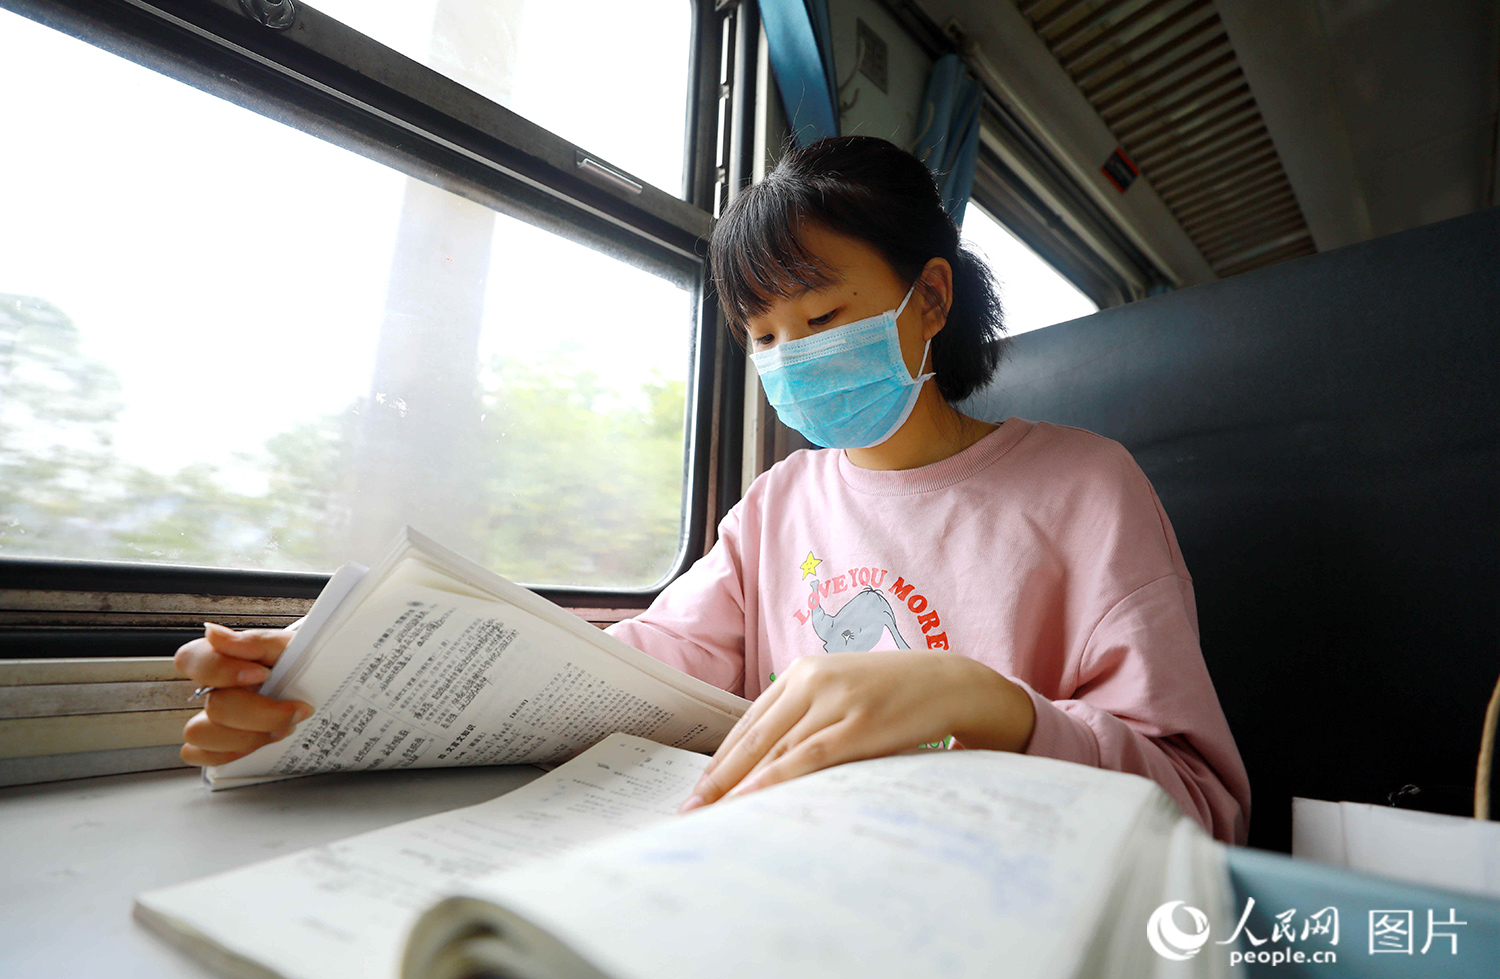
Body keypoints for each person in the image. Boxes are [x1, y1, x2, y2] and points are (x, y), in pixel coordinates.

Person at [176, 136, 1251, 844]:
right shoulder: (778, 505)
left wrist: (999, 709)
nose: (790, 360)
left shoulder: (1084, 489)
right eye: (763, 337)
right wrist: (354, 667)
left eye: (820, 320)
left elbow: (1202, 807)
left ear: (929, 299)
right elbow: (645, 663)